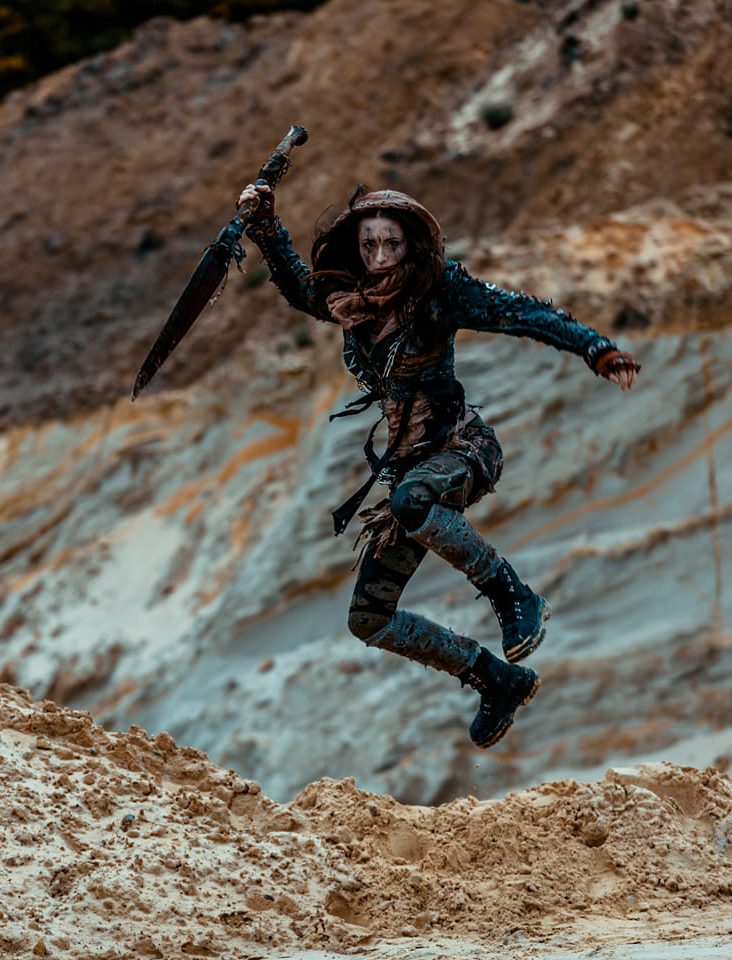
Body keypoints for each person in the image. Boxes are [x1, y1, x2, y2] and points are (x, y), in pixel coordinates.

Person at [238, 182, 640, 748]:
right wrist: (264, 224)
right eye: (369, 245)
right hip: (411, 474)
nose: (381, 256)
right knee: (369, 618)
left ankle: (514, 597)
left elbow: (523, 313)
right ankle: (494, 679)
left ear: (412, 244)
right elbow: (297, 285)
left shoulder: (440, 290)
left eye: (392, 243)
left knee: (412, 501)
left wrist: (596, 349)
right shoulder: (350, 299)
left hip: (462, 450)